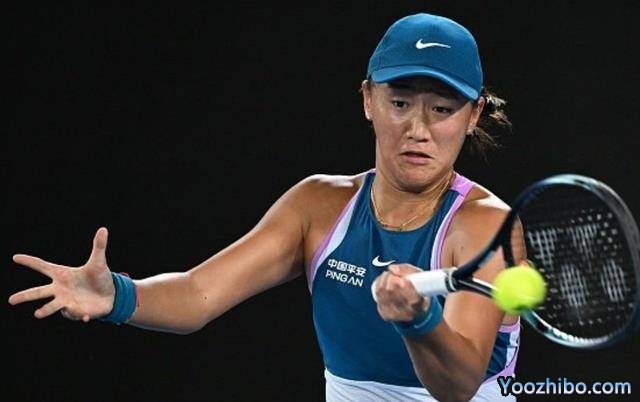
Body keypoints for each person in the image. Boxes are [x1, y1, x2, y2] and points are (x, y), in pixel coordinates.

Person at [9, 12, 518, 402]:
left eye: (442, 109)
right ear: (368, 100)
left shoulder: (487, 226)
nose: (418, 130)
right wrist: (118, 296)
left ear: (473, 115)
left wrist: (417, 320)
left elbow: (457, 386)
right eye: (400, 103)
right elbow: (197, 295)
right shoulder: (317, 205)